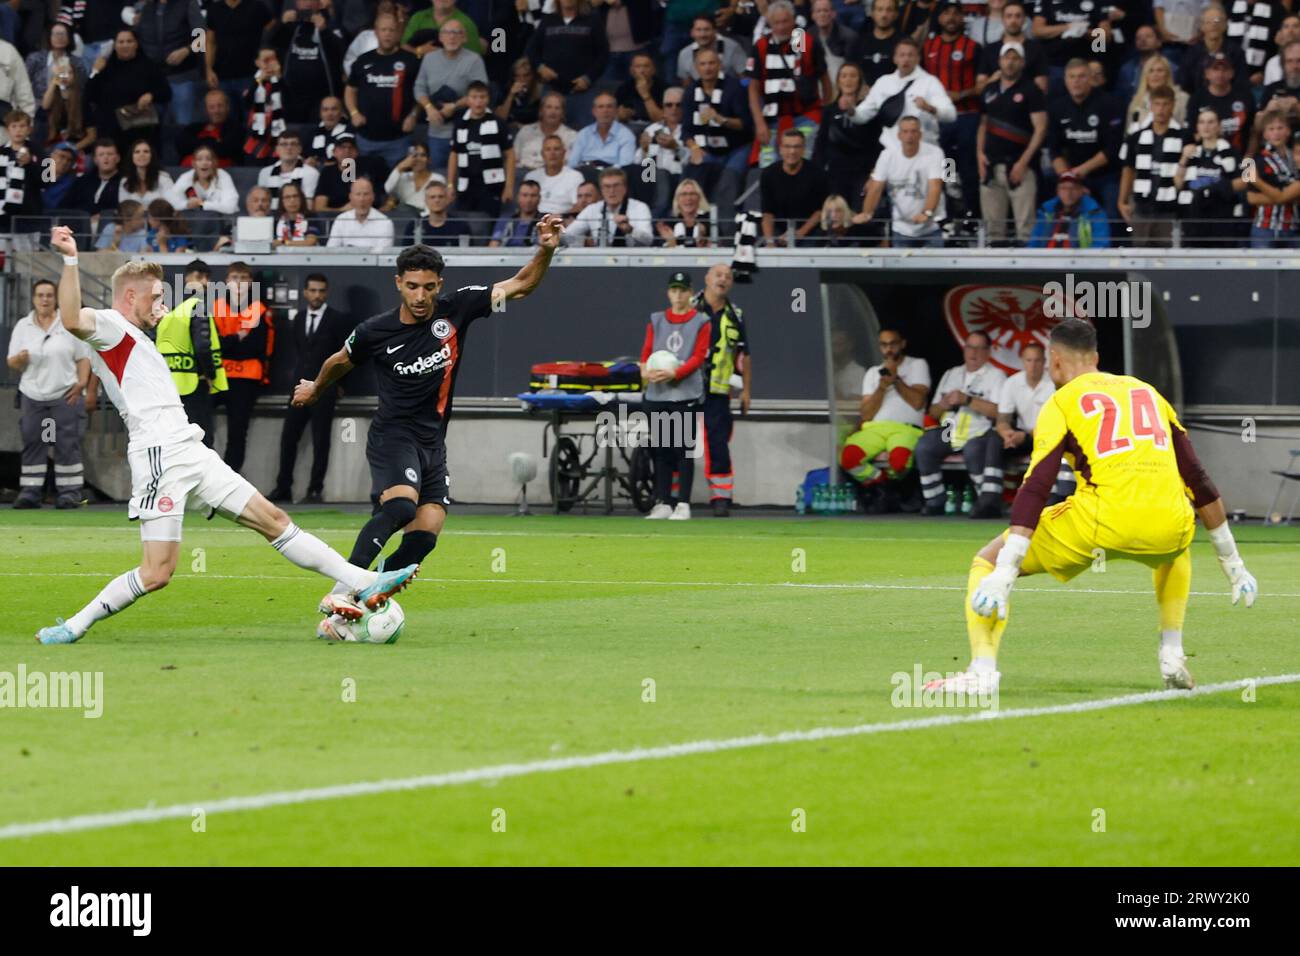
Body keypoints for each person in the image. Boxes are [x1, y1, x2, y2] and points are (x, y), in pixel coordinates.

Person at [36, 226, 417, 645]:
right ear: (130, 297)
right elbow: (71, 318)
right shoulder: (109, 326)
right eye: (156, 298)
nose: (163, 307)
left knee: (274, 520)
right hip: (160, 457)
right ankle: (73, 626)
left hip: (190, 450)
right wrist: (71, 258)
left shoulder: (141, 336)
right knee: (157, 572)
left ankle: (363, 581)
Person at [928, 318, 1259, 695]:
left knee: (986, 560)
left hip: (1099, 523)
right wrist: (1234, 565)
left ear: (1054, 361)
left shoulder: (1062, 401)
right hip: (1169, 524)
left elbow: (1037, 486)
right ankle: (1171, 652)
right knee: (1175, 548)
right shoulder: (1149, 392)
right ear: (1096, 358)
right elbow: (1198, 479)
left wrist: (1006, 570)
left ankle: (981, 672)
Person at [290, 228, 562, 632]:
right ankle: (343, 588)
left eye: (429, 287)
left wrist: (545, 248)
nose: (421, 297)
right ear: (398, 283)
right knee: (400, 507)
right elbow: (341, 360)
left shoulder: (458, 308)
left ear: (440, 285)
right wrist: (314, 387)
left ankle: (354, 609)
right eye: (413, 287)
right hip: (392, 437)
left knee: (423, 538)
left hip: (433, 443)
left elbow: (521, 284)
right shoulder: (375, 331)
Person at [7, 277, 91, 509]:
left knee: (66, 443)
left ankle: (70, 493)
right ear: (33, 299)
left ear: (56, 299)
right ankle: (31, 492)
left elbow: (84, 356)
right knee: (35, 442)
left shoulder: (67, 324)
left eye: (49, 295)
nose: (45, 299)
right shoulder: (23, 326)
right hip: (33, 396)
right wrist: (19, 359)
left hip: (65, 395)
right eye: (40, 295)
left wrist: (82, 383)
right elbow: (12, 362)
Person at [271, 274, 352, 505]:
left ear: (326, 293)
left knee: (321, 440)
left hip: (325, 389)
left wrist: (339, 384)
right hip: (298, 387)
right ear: (306, 292)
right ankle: (283, 488)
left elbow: (347, 356)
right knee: (288, 439)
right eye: (313, 290)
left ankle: (315, 490)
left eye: (321, 291)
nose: (317, 295)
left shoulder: (337, 320)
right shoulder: (299, 318)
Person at [640, 270, 711, 521]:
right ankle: (663, 502)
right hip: (657, 393)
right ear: (668, 293)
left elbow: (698, 356)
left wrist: (675, 373)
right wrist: (646, 371)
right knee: (661, 449)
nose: (678, 295)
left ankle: (682, 503)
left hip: (684, 394)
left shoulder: (701, 321)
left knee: (683, 449)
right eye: (674, 290)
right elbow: (647, 350)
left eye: (683, 290)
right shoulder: (656, 319)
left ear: (690, 292)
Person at [914, 329, 1006, 516]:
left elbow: (999, 412)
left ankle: (986, 502)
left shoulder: (996, 375)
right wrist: (943, 403)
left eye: (980, 348)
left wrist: (968, 400)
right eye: (971, 347)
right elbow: (933, 412)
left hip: (980, 431)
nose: (974, 353)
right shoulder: (951, 374)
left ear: (988, 352)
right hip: (950, 430)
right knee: (925, 446)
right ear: (964, 349)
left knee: (974, 449)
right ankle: (935, 500)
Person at [839, 326, 929, 509]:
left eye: (893, 344)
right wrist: (881, 387)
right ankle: (883, 486)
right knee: (848, 457)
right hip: (875, 428)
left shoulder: (917, 365)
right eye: (884, 345)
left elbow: (918, 402)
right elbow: (866, 413)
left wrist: (896, 379)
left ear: (902, 344)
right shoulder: (873, 373)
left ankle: (890, 493)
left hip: (906, 428)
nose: (889, 349)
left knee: (899, 461)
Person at [691, 263, 750, 515]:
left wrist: (746, 390)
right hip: (686, 385)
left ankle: (721, 497)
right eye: (718, 274)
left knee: (718, 443)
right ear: (706, 278)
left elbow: (744, 354)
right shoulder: (689, 306)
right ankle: (671, 496)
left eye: (727, 276)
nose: (723, 279)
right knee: (675, 438)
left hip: (718, 390)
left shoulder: (736, 314)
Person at [977, 42, 1047, 244]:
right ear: (999, 61)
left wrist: (1023, 163)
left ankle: (1031, 275)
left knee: (1025, 230)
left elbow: (1041, 128)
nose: (1010, 62)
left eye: (1015, 58)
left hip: (1020, 167)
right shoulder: (988, 90)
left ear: (1022, 63)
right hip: (990, 166)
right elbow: (982, 125)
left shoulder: (1031, 90)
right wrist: (979, 155)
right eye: (1007, 58)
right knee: (993, 232)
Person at [747, 0, 832, 167]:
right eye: (776, 22)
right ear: (769, 23)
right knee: (769, 168)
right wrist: (759, 122)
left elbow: (825, 79)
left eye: (785, 21)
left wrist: (826, 113)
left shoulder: (805, 41)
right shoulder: (761, 46)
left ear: (793, 20)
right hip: (772, 119)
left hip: (806, 116)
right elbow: (753, 88)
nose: (781, 27)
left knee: (804, 166)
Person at [156, 260, 227, 449]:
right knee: (201, 444)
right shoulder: (197, 306)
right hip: (195, 385)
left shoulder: (165, 308)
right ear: (187, 278)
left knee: (176, 445)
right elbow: (203, 347)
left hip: (169, 387)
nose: (203, 282)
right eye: (198, 277)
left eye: (206, 278)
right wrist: (211, 375)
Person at [213, 261, 273, 474]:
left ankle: (228, 478)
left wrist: (227, 343)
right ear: (227, 282)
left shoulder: (259, 309)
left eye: (244, 278)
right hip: (217, 375)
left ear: (251, 283)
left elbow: (254, 348)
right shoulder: (216, 306)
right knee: (199, 426)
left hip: (246, 379)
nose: (239, 283)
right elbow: (213, 344)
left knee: (237, 432)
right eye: (234, 278)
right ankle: (206, 475)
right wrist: (237, 338)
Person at [1048, 58, 1124, 224]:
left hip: (1106, 174)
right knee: (1052, 203)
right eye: (1072, 77)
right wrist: (1069, 178)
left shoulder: (1110, 104)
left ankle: (1114, 248)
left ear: (1090, 79)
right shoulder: (1057, 107)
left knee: (1112, 214)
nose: (1076, 81)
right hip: (1072, 173)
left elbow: (1112, 149)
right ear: (1065, 80)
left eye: (1081, 76)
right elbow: (1054, 150)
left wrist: (1082, 170)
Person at [682, 46, 753, 226]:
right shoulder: (691, 91)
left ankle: (727, 235)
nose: (707, 68)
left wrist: (720, 120)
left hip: (736, 148)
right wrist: (694, 147)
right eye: (703, 64)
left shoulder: (734, 88)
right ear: (696, 67)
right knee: (692, 180)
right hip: (707, 149)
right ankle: (694, 230)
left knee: (727, 183)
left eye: (712, 63)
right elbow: (686, 130)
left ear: (720, 65)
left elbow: (745, 124)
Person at [853, 114, 945, 246]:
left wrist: (927, 212)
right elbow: (876, 187)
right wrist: (867, 212)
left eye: (913, 131)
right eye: (905, 131)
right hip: (901, 228)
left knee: (936, 266)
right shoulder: (887, 155)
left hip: (931, 227)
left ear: (920, 134)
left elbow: (935, 186)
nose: (909, 136)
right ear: (899, 135)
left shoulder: (935, 153)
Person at [345, 11, 421, 170]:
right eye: (384, 30)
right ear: (376, 32)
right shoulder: (363, 60)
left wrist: (414, 114)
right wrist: (353, 112)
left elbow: (421, 92)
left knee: (396, 188)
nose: (387, 34)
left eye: (392, 30)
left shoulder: (411, 60)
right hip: (366, 138)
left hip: (398, 139)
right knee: (364, 184)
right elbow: (350, 90)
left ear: (398, 33)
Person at [851, 37, 956, 149]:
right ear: (895, 58)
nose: (906, 59)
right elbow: (862, 115)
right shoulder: (883, 82)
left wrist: (929, 108)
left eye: (910, 55)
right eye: (902, 55)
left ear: (918, 59)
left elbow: (951, 115)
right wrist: (850, 110)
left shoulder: (930, 82)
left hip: (924, 149)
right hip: (891, 151)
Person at [415, 18, 490, 173]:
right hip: (436, 132)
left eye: (457, 33)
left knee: (467, 175)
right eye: (447, 32)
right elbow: (419, 87)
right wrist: (429, 107)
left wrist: (455, 106)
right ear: (440, 37)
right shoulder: (429, 59)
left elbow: (480, 93)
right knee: (437, 176)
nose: (452, 37)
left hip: (466, 131)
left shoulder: (474, 60)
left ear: (465, 38)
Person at [1119, 86, 1188, 247]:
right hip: (1142, 207)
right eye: (1157, 104)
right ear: (1150, 106)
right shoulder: (1135, 137)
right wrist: (1122, 200)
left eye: (1165, 104)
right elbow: (1128, 169)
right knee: (1139, 256)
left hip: (1170, 209)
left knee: (1169, 259)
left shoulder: (1184, 136)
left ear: (1173, 106)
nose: (1161, 109)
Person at [83, 29, 170, 154]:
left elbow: (166, 92)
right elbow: (88, 95)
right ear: (115, 45)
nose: (125, 45)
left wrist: (151, 95)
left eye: (129, 41)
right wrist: (95, 72)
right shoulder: (106, 67)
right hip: (110, 129)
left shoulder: (148, 66)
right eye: (121, 42)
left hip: (138, 128)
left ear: (136, 44)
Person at [526, 0, 609, 128]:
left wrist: (588, 78)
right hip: (552, 91)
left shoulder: (593, 21)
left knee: (585, 136)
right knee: (550, 137)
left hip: (583, 94)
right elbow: (531, 49)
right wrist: (540, 67)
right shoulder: (548, 21)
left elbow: (604, 55)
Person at [1175, 108, 1246, 245]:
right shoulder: (1191, 152)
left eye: (1210, 122)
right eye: (1202, 122)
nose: (1206, 126)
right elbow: (1178, 184)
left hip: (1222, 218)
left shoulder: (1232, 151)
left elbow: (1246, 181)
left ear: (1218, 126)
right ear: (1197, 127)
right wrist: (1183, 158)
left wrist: (1215, 188)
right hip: (1193, 219)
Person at [813, 62, 878, 208]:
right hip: (835, 174)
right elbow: (821, 143)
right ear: (838, 81)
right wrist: (817, 173)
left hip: (862, 174)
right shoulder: (829, 111)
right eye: (844, 76)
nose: (848, 80)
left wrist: (874, 175)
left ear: (859, 80)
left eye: (853, 76)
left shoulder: (869, 111)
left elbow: (876, 145)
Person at [449, 80, 515, 218]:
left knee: (490, 224)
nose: (478, 102)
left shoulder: (498, 123)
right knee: (464, 225)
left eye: (482, 97)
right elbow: (454, 154)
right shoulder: (460, 124)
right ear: (467, 100)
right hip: (465, 185)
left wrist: (508, 187)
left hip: (492, 186)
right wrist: (450, 184)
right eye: (474, 97)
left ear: (488, 99)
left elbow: (510, 155)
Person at [760, 127, 832, 245]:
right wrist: (769, 242)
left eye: (797, 147)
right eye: (787, 147)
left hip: (810, 232)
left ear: (803, 149)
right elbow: (767, 212)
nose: (792, 151)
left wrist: (798, 234)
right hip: (779, 230)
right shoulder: (769, 173)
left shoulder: (817, 174)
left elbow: (820, 211)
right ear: (780, 149)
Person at [1244, 109, 1299, 246]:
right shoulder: (1255, 160)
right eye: (1271, 129)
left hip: (1292, 228)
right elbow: (1251, 198)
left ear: (1288, 131)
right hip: (1264, 228)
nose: (1276, 133)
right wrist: (1285, 197)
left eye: (1280, 128)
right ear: (1265, 134)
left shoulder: (1296, 158)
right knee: (1262, 268)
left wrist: (1258, 182)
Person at [563, 165, 653, 244]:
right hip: (600, 260)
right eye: (607, 186)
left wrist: (631, 230)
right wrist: (554, 232)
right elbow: (568, 236)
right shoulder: (592, 209)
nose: (611, 191)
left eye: (616, 186)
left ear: (625, 188)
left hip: (632, 259)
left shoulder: (640, 207)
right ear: (601, 190)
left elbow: (649, 240)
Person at [1186, 52, 1252, 155]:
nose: (1220, 74)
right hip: (1205, 158)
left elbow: (1253, 132)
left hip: (1241, 156)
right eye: (1215, 69)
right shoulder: (1197, 98)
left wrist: (1248, 158)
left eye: (1225, 69)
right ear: (1207, 73)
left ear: (1232, 73)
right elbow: (1192, 133)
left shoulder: (1245, 97)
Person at [974, 1, 1047, 95]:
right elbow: (978, 89)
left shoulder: (1036, 49)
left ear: (1024, 19)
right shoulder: (990, 50)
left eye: (1018, 16)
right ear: (1002, 19)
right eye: (1009, 16)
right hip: (994, 105)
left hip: (1027, 105)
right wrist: (992, 80)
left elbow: (1042, 88)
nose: (1013, 21)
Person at [1027, 170, 1112, 247]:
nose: (1068, 193)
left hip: (1080, 261)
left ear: (1081, 191)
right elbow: (1034, 242)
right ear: (1058, 191)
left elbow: (1101, 244)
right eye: (1063, 188)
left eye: (1073, 188)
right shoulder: (1045, 211)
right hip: (1046, 261)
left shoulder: (1095, 213)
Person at [568, 90, 638, 170]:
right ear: (594, 111)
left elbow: (626, 166)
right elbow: (572, 163)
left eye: (609, 106)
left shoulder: (626, 135)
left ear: (616, 111)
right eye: (601, 107)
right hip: (586, 176)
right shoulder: (583, 134)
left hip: (612, 176)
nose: (605, 110)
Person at [177, 89, 243, 168]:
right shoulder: (194, 128)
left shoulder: (236, 128)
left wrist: (197, 145)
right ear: (206, 110)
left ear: (227, 107)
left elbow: (224, 149)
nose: (216, 111)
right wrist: (212, 141)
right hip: (188, 173)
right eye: (212, 107)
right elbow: (181, 145)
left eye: (220, 106)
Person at [513, 92, 577, 172]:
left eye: (557, 108)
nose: (553, 112)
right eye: (549, 107)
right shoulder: (525, 131)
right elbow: (513, 160)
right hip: (524, 176)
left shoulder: (572, 136)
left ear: (562, 113)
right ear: (541, 111)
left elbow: (570, 166)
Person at [676, 13, 748, 84]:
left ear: (715, 31)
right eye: (698, 30)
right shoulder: (684, 54)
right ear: (692, 33)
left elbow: (744, 77)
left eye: (707, 29)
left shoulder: (732, 47)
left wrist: (743, 91)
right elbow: (686, 84)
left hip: (731, 91)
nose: (702, 34)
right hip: (699, 93)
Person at [327, 177, 396, 250]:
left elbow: (383, 255)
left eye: (366, 194)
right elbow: (331, 250)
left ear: (373, 197)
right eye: (358, 194)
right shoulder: (341, 220)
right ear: (351, 197)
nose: (362, 199)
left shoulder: (385, 223)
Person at [257, 131, 320, 209]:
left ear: (300, 149)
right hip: (272, 217)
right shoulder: (265, 173)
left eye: (293, 144)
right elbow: (262, 202)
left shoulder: (311, 173)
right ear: (277, 149)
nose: (289, 148)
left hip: (299, 219)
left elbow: (308, 205)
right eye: (284, 144)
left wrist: (298, 221)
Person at [525, 134, 586, 215]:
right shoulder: (531, 176)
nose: (552, 153)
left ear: (564, 153)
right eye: (548, 149)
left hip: (562, 221)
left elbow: (579, 206)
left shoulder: (575, 177)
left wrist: (561, 218)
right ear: (542, 154)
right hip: (534, 221)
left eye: (556, 149)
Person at [1125, 54, 1189, 131]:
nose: (1155, 75)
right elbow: (1128, 131)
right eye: (1151, 71)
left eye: (1160, 70)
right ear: (1145, 75)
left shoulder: (1181, 99)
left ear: (1167, 74)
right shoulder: (1136, 101)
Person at [848, 0, 902, 89]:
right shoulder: (858, 43)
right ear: (872, 13)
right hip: (864, 97)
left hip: (894, 97)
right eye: (880, 10)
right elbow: (851, 72)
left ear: (896, 14)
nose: (884, 15)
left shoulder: (903, 44)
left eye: (889, 10)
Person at [384, 141, 444, 216]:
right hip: (405, 217)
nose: (418, 159)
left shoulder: (438, 179)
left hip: (428, 218)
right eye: (414, 156)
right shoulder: (402, 177)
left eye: (423, 155)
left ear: (429, 159)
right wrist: (400, 167)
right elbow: (387, 189)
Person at [408, 179, 475, 245]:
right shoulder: (415, 226)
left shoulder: (461, 226)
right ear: (426, 201)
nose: (437, 200)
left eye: (441, 196)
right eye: (432, 197)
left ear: (447, 199)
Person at [657, 177, 714, 245]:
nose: (688, 198)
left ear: (699, 198)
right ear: (677, 199)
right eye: (684, 194)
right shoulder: (669, 224)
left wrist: (703, 244)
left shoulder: (710, 221)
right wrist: (672, 242)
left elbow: (719, 248)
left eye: (692, 194)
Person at [490, 179, 543, 246]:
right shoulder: (505, 220)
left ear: (539, 198)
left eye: (533, 195)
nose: (528, 200)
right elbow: (493, 246)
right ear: (518, 197)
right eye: (524, 195)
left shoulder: (545, 221)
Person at [307, 96, 353, 166]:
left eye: (334, 109)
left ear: (341, 112)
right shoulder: (312, 132)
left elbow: (348, 160)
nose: (329, 113)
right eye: (325, 110)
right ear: (320, 113)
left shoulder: (350, 131)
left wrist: (320, 164)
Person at [273, 180, 321, 248]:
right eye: (287, 197)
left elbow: (310, 242)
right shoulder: (275, 219)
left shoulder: (311, 216)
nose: (292, 200)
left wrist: (283, 243)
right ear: (281, 201)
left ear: (301, 198)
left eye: (295, 196)